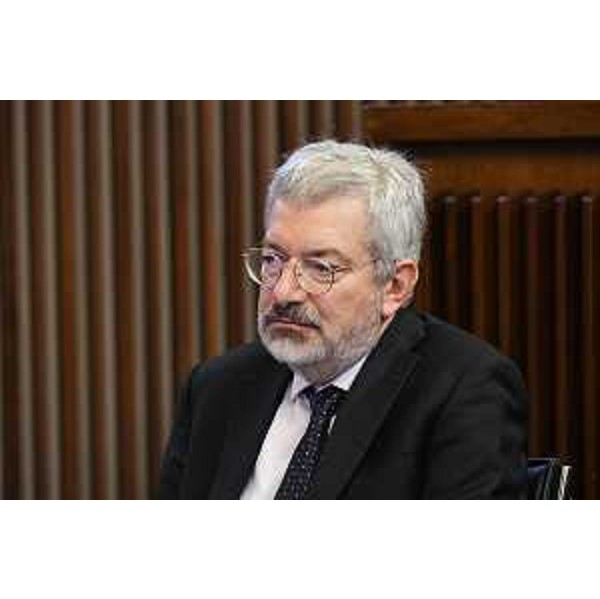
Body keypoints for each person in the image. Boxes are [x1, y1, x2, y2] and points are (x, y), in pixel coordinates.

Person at [157, 140, 527, 499]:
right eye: (273, 260)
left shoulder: (463, 391)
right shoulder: (218, 388)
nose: (283, 292)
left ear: (395, 286)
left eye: (321, 268)